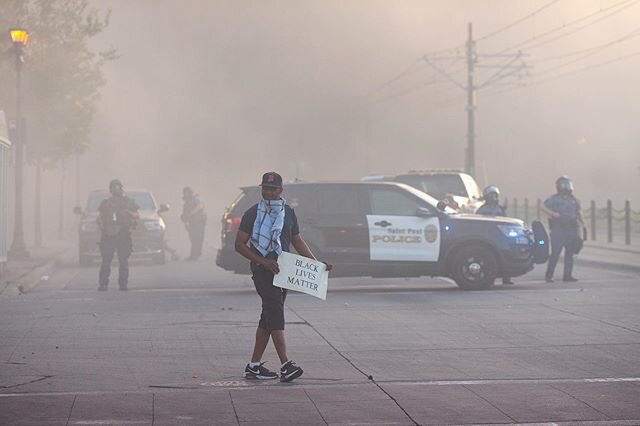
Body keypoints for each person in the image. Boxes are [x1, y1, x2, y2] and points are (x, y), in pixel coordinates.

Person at [235, 172, 332, 382]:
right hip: (263, 272)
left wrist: (316, 264)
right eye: (265, 189)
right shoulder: (252, 213)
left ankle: (253, 366)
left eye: (272, 189)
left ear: (281, 190)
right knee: (276, 316)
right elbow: (239, 245)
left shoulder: (288, 213)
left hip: (284, 272)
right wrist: (264, 262)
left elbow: (297, 241)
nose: (268, 193)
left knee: (268, 319)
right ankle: (286, 365)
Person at [97, 179, 140, 291]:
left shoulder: (128, 202)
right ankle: (103, 283)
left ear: (121, 188)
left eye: (117, 187)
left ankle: (123, 284)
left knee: (123, 260)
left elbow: (137, 215)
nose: (115, 189)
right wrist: (102, 226)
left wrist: (128, 212)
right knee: (106, 260)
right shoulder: (106, 203)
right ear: (110, 189)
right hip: (108, 234)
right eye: (113, 187)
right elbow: (100, 217)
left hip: (123, 233)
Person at [542, 176, 583, 283]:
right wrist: (553, 214)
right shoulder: (555, 198)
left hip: (571, 229)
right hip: (559, 229)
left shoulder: (573, 200)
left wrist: (583, 223)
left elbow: (578, 212)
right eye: (564, 184)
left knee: (569, 254)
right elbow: (543, 207)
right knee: (555, 253)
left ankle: (567, 275)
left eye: (568, 184)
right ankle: (549, 275)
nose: (567, 186)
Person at [476, 185, 514, 285]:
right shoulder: (482, 210)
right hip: (487, 236)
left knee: (505, 255)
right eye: (491, 195)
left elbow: (505, 221)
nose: (493, 197)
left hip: (500, 236)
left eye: (495, 195)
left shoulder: (500, 209)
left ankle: (506, 278)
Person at [180, 187, 207, 261]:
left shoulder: (195, 200)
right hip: (192, 223)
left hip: (198, 223)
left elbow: (200, 207)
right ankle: (195, 254)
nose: (185, 194)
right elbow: (185, 214)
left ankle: (195, 255)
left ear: (189, 193)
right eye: (184, 193)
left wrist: (190, 215)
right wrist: (184, 219)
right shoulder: (187, 203)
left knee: (197, 239)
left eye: (186, 192)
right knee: (193, 239)